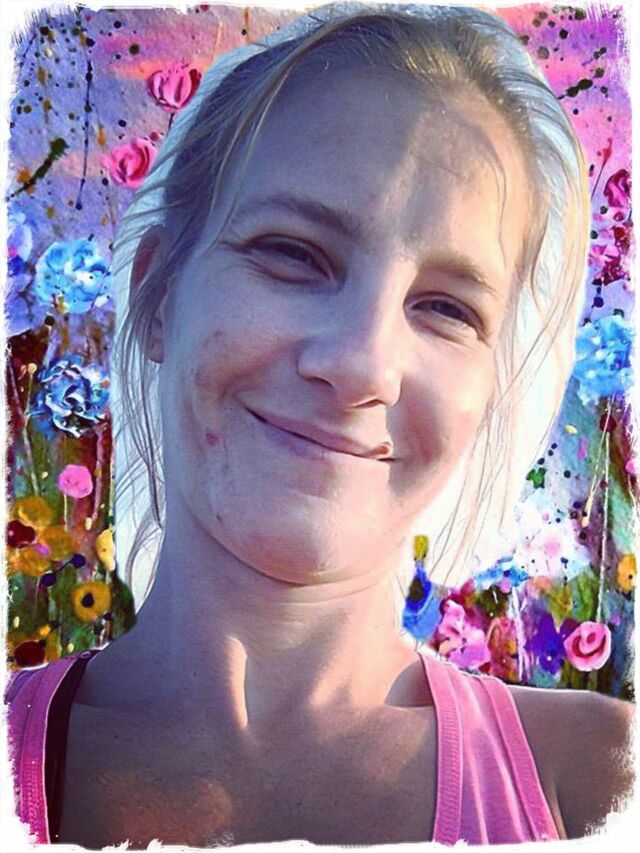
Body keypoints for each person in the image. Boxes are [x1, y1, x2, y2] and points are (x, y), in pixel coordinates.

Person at [6, 2, 635, 848]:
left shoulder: (597, 781)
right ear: (155, 293)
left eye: (447, 308)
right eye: (293, 253)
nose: (364, 364)